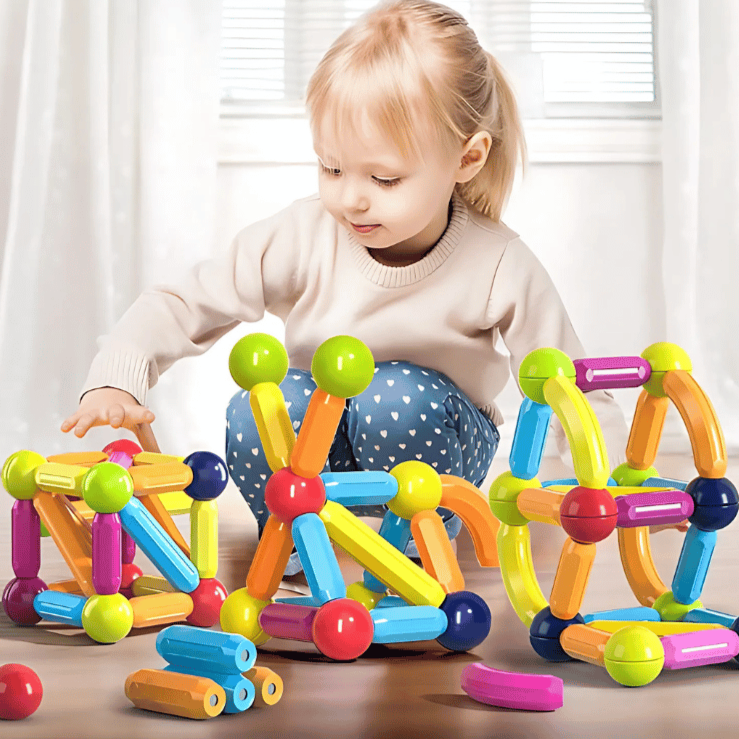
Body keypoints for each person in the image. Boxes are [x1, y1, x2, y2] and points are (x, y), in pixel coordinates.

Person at [62, 0, 636, 575]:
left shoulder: (498, 262)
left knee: (394, 394)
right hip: (320, 442)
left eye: (384, 178)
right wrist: (116, 375)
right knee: (260, 405)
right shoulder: (303, 233)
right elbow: (186, 302)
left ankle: (410, 543)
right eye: (331, 168)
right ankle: (290, 539)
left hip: (436, 451)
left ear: (467, 158)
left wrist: (610, 485)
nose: (350, 199)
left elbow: (568, 382)